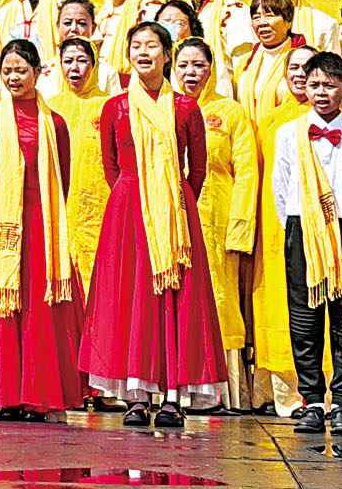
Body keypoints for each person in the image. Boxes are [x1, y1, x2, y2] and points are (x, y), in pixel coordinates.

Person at [81, 22, 229, 425]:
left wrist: (172, 205)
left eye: (152, 45)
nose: (143, 51)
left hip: (175, 213)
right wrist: (136, 195)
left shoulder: (185, 107)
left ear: (167, 55)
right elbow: (110, 164)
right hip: (128, 208)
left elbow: (196, 170)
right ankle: (137, 395)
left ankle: (171, 398)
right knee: (133, 300)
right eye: (136, 45)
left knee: (173, 300)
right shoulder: (114, 106)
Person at [0, 39, 83, 419]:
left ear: (39, 72)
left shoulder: (55, 122)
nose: (14, 77)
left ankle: (38, 396)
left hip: (42, 223)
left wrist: (44, 218)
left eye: (21, 71)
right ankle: (6, 395)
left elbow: (62, 177)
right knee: (2, 309)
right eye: (8, 71)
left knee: (38, 313)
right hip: (0, 227)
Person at [273, 51, 342, 436]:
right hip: (303, 231)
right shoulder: (289, 133)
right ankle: (313, 400)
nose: (321, 92)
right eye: (314, 84)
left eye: (330, 85)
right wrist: (304, 231)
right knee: (305, 319)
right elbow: (282, 193)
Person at [175, 37, 259, 407]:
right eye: (183, 66)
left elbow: (247, 172)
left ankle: (219, 390)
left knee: (219, 299)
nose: (191, 73)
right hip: (174, 219)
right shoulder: (167, 108)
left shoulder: (231, 113)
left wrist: (240, 226)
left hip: (217, 220)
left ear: (213, 70)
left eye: (199, 66)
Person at [249, 37, 319, 414]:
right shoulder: (269, 122)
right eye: (293, 68)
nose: (299, 75)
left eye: (307, 69)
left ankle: (317, 391)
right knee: (276, 306)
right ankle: (282, 393)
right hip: (275, 231)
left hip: (318, 228)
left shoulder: (333, 120)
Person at [47, 31, 110, 289]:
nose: (75, 67)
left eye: (82, 60)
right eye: (68, 60)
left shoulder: (110, 105)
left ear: (94, 66)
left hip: (99, 209)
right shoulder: (49, 107)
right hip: (58, 204)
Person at [236, 0, 303, 120]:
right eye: (256, 17)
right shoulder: (245, 63)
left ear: (288, 21)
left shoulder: (303, 60)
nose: (262, 22)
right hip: (249, 138)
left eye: (269, 16)